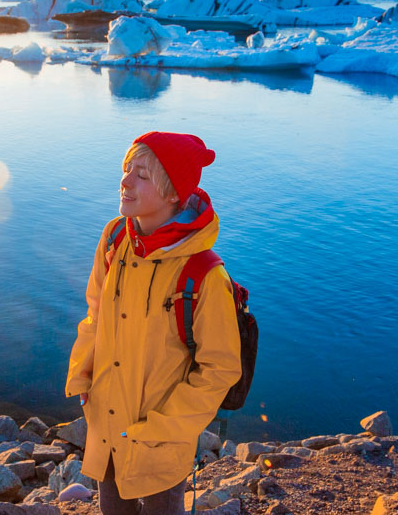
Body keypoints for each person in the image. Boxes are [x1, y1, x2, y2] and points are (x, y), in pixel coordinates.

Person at [65, 131, 242, 515]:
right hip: (108, 422)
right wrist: (83, 375)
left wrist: (163, 428)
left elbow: (220, 368)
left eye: (141, 174)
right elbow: (96, 311)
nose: (125, 181)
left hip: (160, 439)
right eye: (126, 169)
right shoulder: (115, 239)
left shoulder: (203, 275)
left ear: (172, 193)